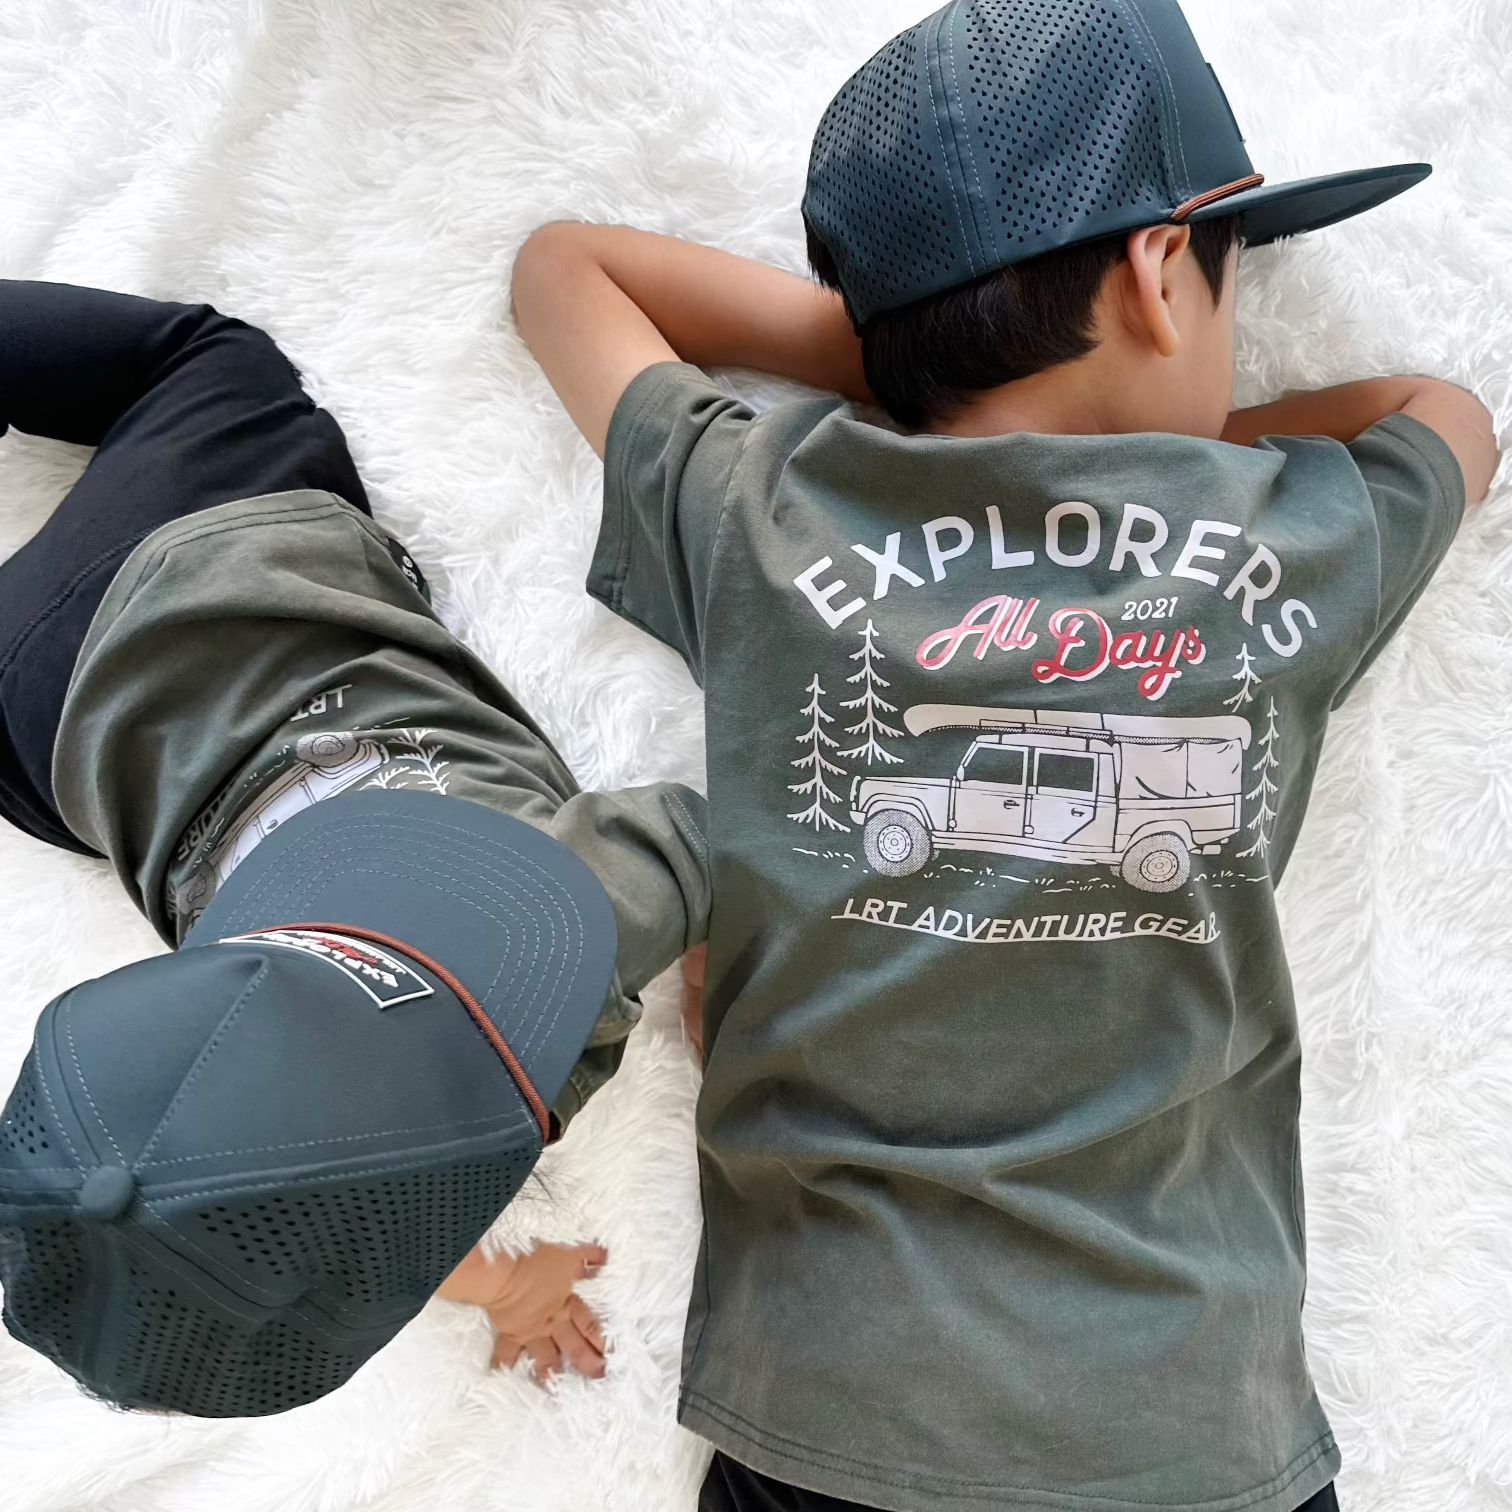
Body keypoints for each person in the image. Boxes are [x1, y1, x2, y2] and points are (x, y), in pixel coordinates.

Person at [510, 0, 1500, 1508]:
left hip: (836, 1405)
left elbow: (562, 273)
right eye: (1231, 285)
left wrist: (910, 372)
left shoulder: (768, 508)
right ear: (1161, 277)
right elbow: (1450, 417)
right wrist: (1205, 442)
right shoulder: (1286, 540)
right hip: (1187, 1420)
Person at [0, 278, 710, 1411]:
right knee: (187, 371)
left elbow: (716, 843)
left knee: (207, 353)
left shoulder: (559, 935)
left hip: (214, 556)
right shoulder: (273, 1117)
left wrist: (714, 960)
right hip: (54, 728)